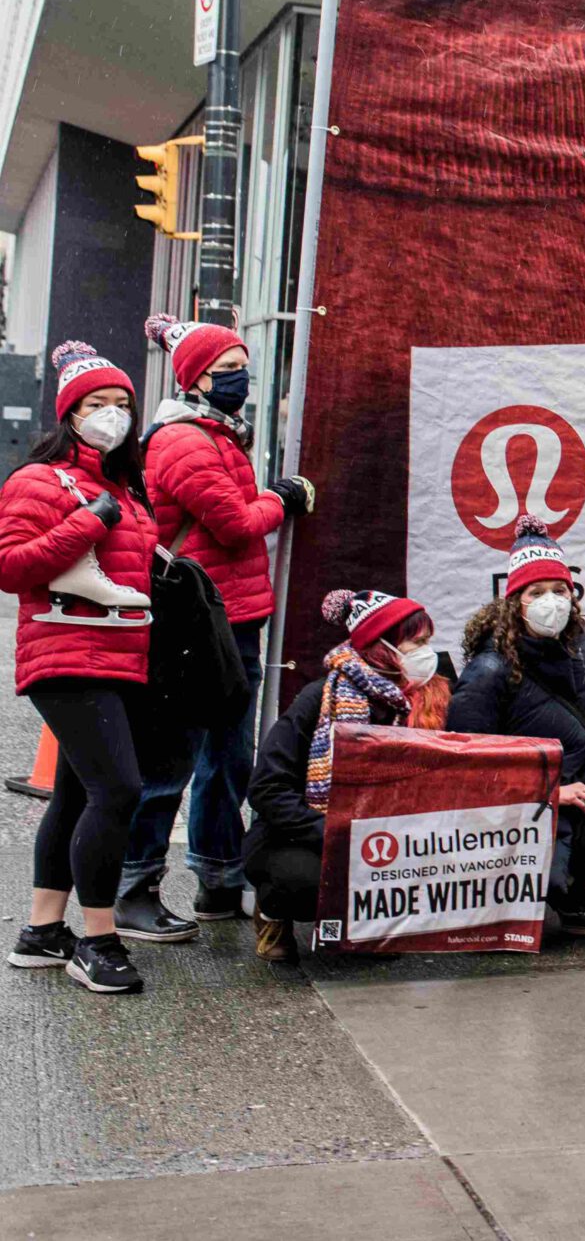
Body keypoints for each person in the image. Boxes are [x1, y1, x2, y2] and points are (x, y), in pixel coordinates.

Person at [119, 312, 317, 941]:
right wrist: (281, 500)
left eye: (243, 368)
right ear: (195, 379)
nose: (243, 379)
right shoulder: (182, 441)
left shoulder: (218, 434)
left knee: (227, 759)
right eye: (228, 370)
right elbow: (233, 523)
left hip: (234, 618)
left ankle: (218, 878)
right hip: (196, 624)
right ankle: (135, 885)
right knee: (174, 761)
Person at [3, 342, 160, 994]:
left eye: (122, 404)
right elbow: (12, 566)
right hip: (67, 654)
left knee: (77, 792)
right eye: (98, 404)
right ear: (69, 412)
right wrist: (89, 523)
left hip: (116, 655)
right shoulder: (40, 481)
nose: (112, 415)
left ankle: (43, 931)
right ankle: (96, 937)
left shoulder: (120, 482)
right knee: (118, 790)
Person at [450, 516, 585, 938]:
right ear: (514, 602)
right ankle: (516, 896)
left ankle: (569, 888)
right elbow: (464, 768)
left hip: (584, 792)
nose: (551, 602)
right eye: (536, 592)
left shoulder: (580, 647)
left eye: (559, 591)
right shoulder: (489, 671)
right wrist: (550, 794)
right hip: (515, 808)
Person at [241, 587, 440, 963]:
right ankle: (272, 911)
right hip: (301, 835)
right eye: (417, 643)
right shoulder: (319, 699)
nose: (427, 652)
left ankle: (366, 923)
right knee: (305, 882)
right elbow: (267, 788)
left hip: (384, 836)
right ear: (382, 647)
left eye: (428, 641)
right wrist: (332, 833)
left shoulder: (428, 700)